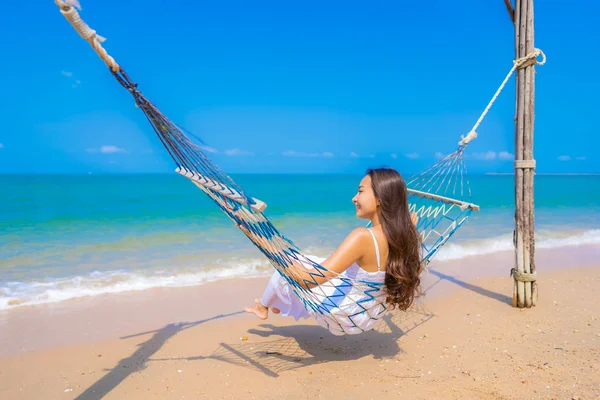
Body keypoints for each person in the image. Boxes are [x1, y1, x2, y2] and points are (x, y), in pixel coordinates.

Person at [244, 167, 423, 327]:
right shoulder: (403, 237)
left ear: (379, 198)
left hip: (346, 314)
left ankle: (270, 304)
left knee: (286, 269)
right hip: (368, 312)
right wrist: (409, 227)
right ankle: (270, 304)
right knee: (307, 260)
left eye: (360, 191)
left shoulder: (363, 236)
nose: (354, 198)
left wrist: (265, 243)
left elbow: (308, 281)